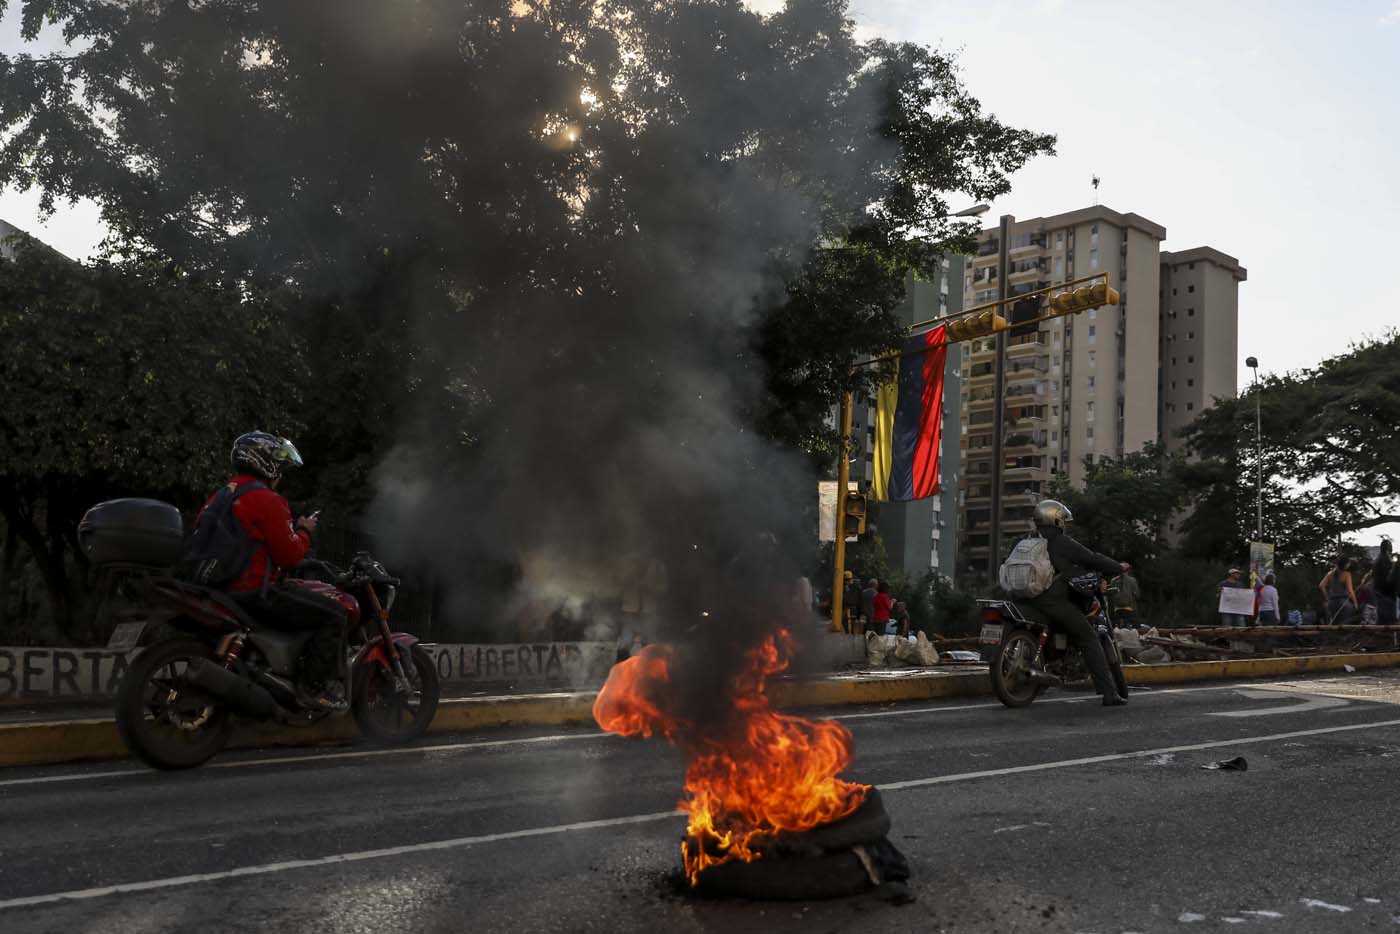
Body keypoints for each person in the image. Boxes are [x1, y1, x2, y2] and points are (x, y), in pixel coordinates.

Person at [204, 431, 348, 712]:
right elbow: (290, 555)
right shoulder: (266, 499)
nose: (281, 475)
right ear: (265, 463)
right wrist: (304, 531)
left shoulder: (220, 496)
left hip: (219, 590)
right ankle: (314, 688)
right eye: (280, 468)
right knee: (335, 614)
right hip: (254, 592)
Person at [1014, 500, 1130, 707]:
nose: (1065, 525)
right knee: (1088, 638)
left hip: (1021, 599)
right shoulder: (1061, 542)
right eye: (1063, 521)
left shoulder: (1026, 540)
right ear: (1056, 520)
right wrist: (1118, 567)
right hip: (1050, 601)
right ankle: (1109, 693)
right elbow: (1092, 559)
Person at [1318, 557, 1358, 626]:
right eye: (1348, 563)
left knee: (1333, 623)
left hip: (1331, 603)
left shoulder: (1330, 573)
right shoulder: (1346, 574)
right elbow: (1350, 591)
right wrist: (1355, 603)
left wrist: (1327, 598)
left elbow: (1321, 586)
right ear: (1345, 565)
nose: (1349, 565)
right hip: (1343, 604)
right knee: (1344, 623)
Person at [1373, 539, 1398, 627]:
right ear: (1387, 548)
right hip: (1385, 593)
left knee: (1383, 618)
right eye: (1390, 546)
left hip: (1379, 591)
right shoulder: (1384, 560)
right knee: (1388, 620)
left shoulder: (1379, 558)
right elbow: (1387, 578)